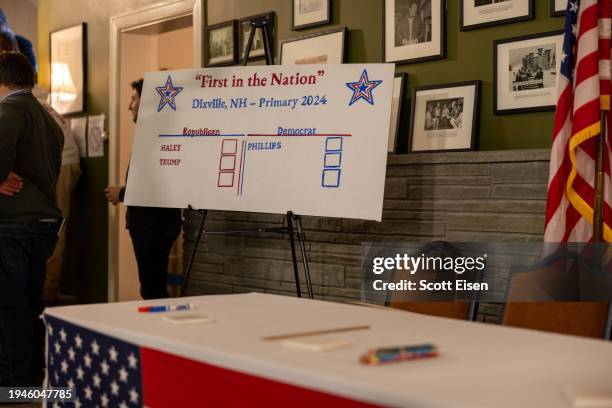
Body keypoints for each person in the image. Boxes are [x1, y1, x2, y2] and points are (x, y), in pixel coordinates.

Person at [0, 52, 64, 386]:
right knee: (31, 301)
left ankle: (13, 383)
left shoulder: (8, 110)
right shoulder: (48, 119)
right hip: (42, 221)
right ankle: (36, 374)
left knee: (9, 305)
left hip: (12, 223)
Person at [105, 79, 182, 299]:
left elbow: (154, 184)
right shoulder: (161, 132)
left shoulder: (153, 135)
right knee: (152, 286)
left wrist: (121, 193)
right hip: (159, 221)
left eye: (134, 99)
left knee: (152, 289)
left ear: (146, 102)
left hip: (152, 224)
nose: (130, 105)